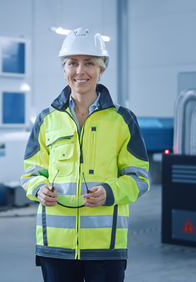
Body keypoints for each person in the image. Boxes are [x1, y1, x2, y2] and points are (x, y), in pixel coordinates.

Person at [21, 27, 150, 282]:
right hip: (55, 245)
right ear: (64, 69)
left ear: (101, 69)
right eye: (72, 63)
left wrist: (110, 192)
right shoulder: (46, 120)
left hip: (105, 246)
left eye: (89, 63)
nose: (80, 71)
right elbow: (31, 172)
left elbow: (140, 177)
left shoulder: (122, 120)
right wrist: (38, 189)